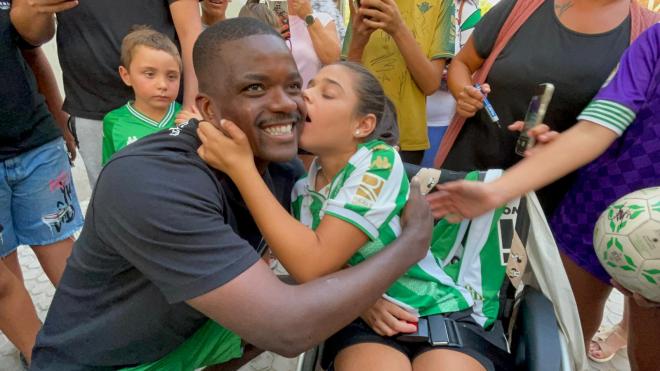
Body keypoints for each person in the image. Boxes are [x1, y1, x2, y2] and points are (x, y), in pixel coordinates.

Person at [29, 18, 434, 370]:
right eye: (255, 88)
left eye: (294, 85)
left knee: (320, 303)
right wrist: (410, 246)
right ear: (207, 107)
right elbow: (288, 329)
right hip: (107, 362)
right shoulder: (151, 181)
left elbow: (308, 258)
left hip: (186, 334)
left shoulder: (279, 165)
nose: (286, 104)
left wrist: (357, 294)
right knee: (301, 312)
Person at [197, 61, 511, 371]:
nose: (306, 96)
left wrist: (241, 168)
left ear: (362, 126)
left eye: (327, 93)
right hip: (358, 316)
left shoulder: (378, 161)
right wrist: (366, 302)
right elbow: (321, 268)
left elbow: (312, 263)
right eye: (309, 87)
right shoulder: (302, 191)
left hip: (434, 307)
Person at [427, 23, 660, 371]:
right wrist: (496, 191)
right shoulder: (655, 39)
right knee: (571, 332)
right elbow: (600, 124)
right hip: (598, 207)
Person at [437, 0, 658, 217]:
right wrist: (465, 93)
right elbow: (597, 127)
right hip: (472, 170)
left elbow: (603, 132)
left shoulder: (644, 31)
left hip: (555, 201)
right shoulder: (521, 7)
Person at [14, 0, 203, 188]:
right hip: (93, 108)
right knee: (114, 197)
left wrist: (191, 108)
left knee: (182, 193)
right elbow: (34, 37)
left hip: (167, 110)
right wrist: (36, 8)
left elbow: (191, 33)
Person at [2, 0, 85, 364]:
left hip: (35, 143)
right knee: (4, 278)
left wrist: (60, 120)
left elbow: (35, 51)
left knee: (64, 255)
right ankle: (37, 353)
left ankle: (94, 341)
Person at [345, 0, 455, 164]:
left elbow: (430, 84)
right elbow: (345, 77)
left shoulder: (442, 3)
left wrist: (398, 28)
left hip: (406, 140)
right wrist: (358, 41)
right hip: (356, 132)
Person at [421, 0, 489, 168]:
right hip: (405, 116)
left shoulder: (468, 9)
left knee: (429, 183)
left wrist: (448, 72)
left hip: (443, 119)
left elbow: (469, 66)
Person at [102, 27, 184, 165]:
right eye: (150, 74)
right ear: (126, 75)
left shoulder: (188, 118)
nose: (163, 85)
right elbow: (111, 171)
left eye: (172, 76)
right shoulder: (114, 122)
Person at [287, 0, 341, 88]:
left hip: (310, 98)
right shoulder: (273, 19)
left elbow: (333, 59)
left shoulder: (324, 20)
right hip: (278, 98)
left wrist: (308, 16)